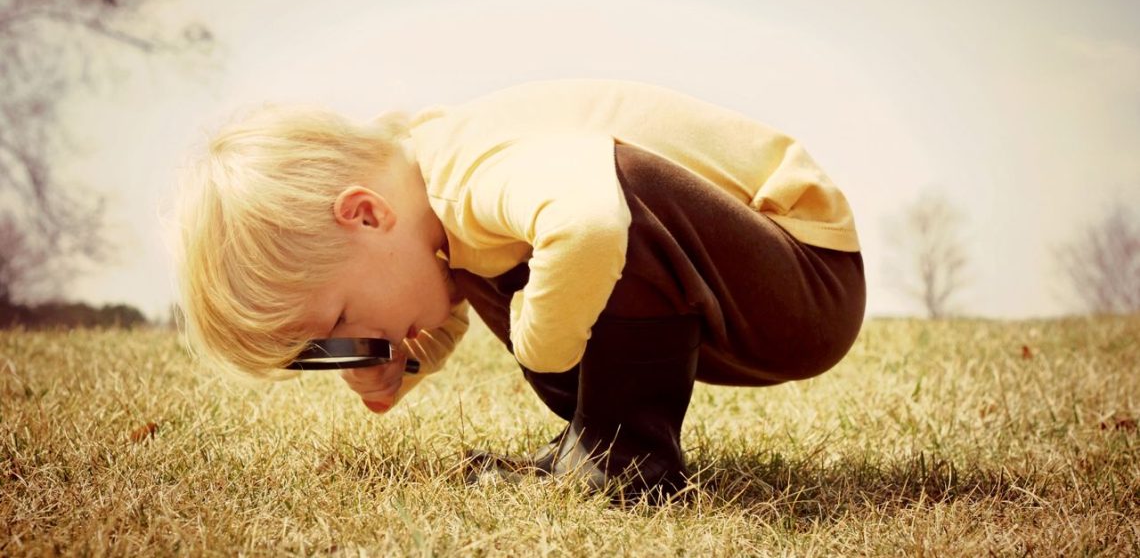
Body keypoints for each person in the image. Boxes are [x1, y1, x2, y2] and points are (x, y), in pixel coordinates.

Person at [175, 79, 866, 502]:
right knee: (510, 263)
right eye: (335, 347)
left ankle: (623, 460)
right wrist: (396, 364)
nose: (360, 341)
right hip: (747, 283)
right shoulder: (432, 194)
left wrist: (543, 347)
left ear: (364, 214)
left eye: (345, 320)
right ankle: (598, 439)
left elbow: (594, 225)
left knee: (596, 212)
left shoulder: (469, 171)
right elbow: (446, 286)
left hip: (803, 275)